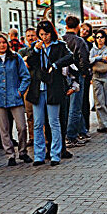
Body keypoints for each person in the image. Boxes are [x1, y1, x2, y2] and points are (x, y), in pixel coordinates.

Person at [25, 20, 74, 166]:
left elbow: (69, 57)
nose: (44, 37)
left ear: (51, 33)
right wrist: (36, 50)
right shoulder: (35, 47)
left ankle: (55, 154)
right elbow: (30, 62)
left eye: (46, 34)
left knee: (54, 121)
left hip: (53, 87)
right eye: (41, 35)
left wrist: (55, 64)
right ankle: (39, 155)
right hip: (37, 88)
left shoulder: (59, 46)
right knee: (38, 123)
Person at [0, 33, 32, 166]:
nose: (2, 45)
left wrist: (20, 91)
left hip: (14, 97)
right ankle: (10, 155)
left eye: (4, 42)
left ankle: (23, 151)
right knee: (4, 129)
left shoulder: (16, 58)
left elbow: (25, 76)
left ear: (8, 43)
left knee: (22, 127)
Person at [62, 16, 91, 147]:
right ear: (78, 26)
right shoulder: (79, 41)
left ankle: (82, 130)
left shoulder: (61, 40)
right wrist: (85, 73)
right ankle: (71, 135)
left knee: (68, 105)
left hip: (63, 74)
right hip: (76, 74)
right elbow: (84, 59)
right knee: (76, 105)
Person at [89, 29, 107, 133]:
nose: (99, 39)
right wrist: (98, 58)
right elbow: (89, 60)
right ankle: (102, 124)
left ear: (105, 38)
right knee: (99, 102)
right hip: (96, 76)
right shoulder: (93, 49)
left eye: (101, 37)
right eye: (97, 37)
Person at [18, 27, 38, 145]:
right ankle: (32, 137)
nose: (31, 38)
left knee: (40, 113)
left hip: (38, 84)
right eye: (28, 36)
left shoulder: (40, 50)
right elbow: (24, 66)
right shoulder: (22, 51)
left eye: (33, 35)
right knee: (29, 113)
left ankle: (44, 137)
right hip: (27, 86)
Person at [79, 22, 94, 131]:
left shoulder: (88, 44)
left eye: (87, 31)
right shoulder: (76, 40)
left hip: (85, 75)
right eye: (83, 29)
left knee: (84, 100)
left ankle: (85, 126)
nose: (84, 32)